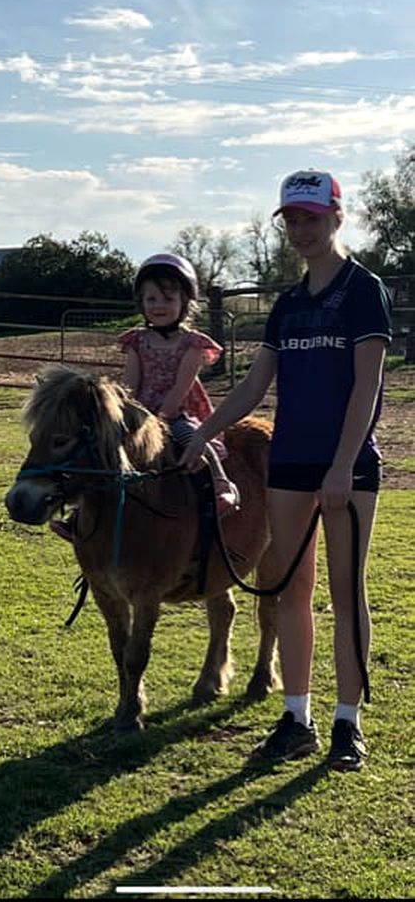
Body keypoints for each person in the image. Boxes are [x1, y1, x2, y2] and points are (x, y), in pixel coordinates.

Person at [180, 170, 392, 772]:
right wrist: (205, 432)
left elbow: (368, 386)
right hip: (289, 464)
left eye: (311, 218)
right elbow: (253, 384)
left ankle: (347, 722)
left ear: (336, 218)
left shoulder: (362, 291)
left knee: (346, 592)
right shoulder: (289, 305)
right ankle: (295, 717)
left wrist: (344, 467)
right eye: (292, 220)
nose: (301, 230)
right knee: (289, 591)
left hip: (347, 467)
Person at [50, 252, 240, 542]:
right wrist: (121, 414)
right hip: (139, 411)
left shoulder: (192, 344)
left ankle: (220, 485)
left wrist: (162, 417)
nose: (159, 306)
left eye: (167, 299)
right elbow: (130, 384)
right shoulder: (137, 341)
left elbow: (181, 386)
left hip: (176, 412)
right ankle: (79, 515)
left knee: (193, 441)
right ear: (141, 302)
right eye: (151, 299)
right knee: (99, 449)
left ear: (185, 302)